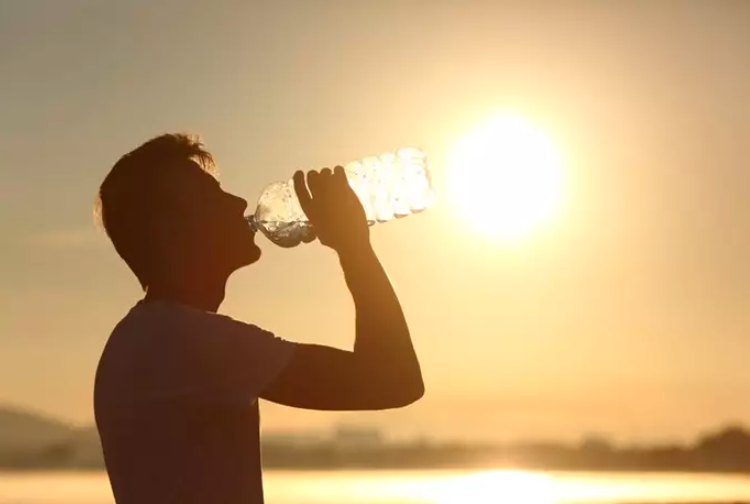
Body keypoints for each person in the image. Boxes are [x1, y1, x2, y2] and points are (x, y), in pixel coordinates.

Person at [93, 133, 424, 504]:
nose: (238, 203)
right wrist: (353, 245)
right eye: (211, 196)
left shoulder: (145, 338)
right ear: (171, 232)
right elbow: (394, 381)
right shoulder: (181, 341)